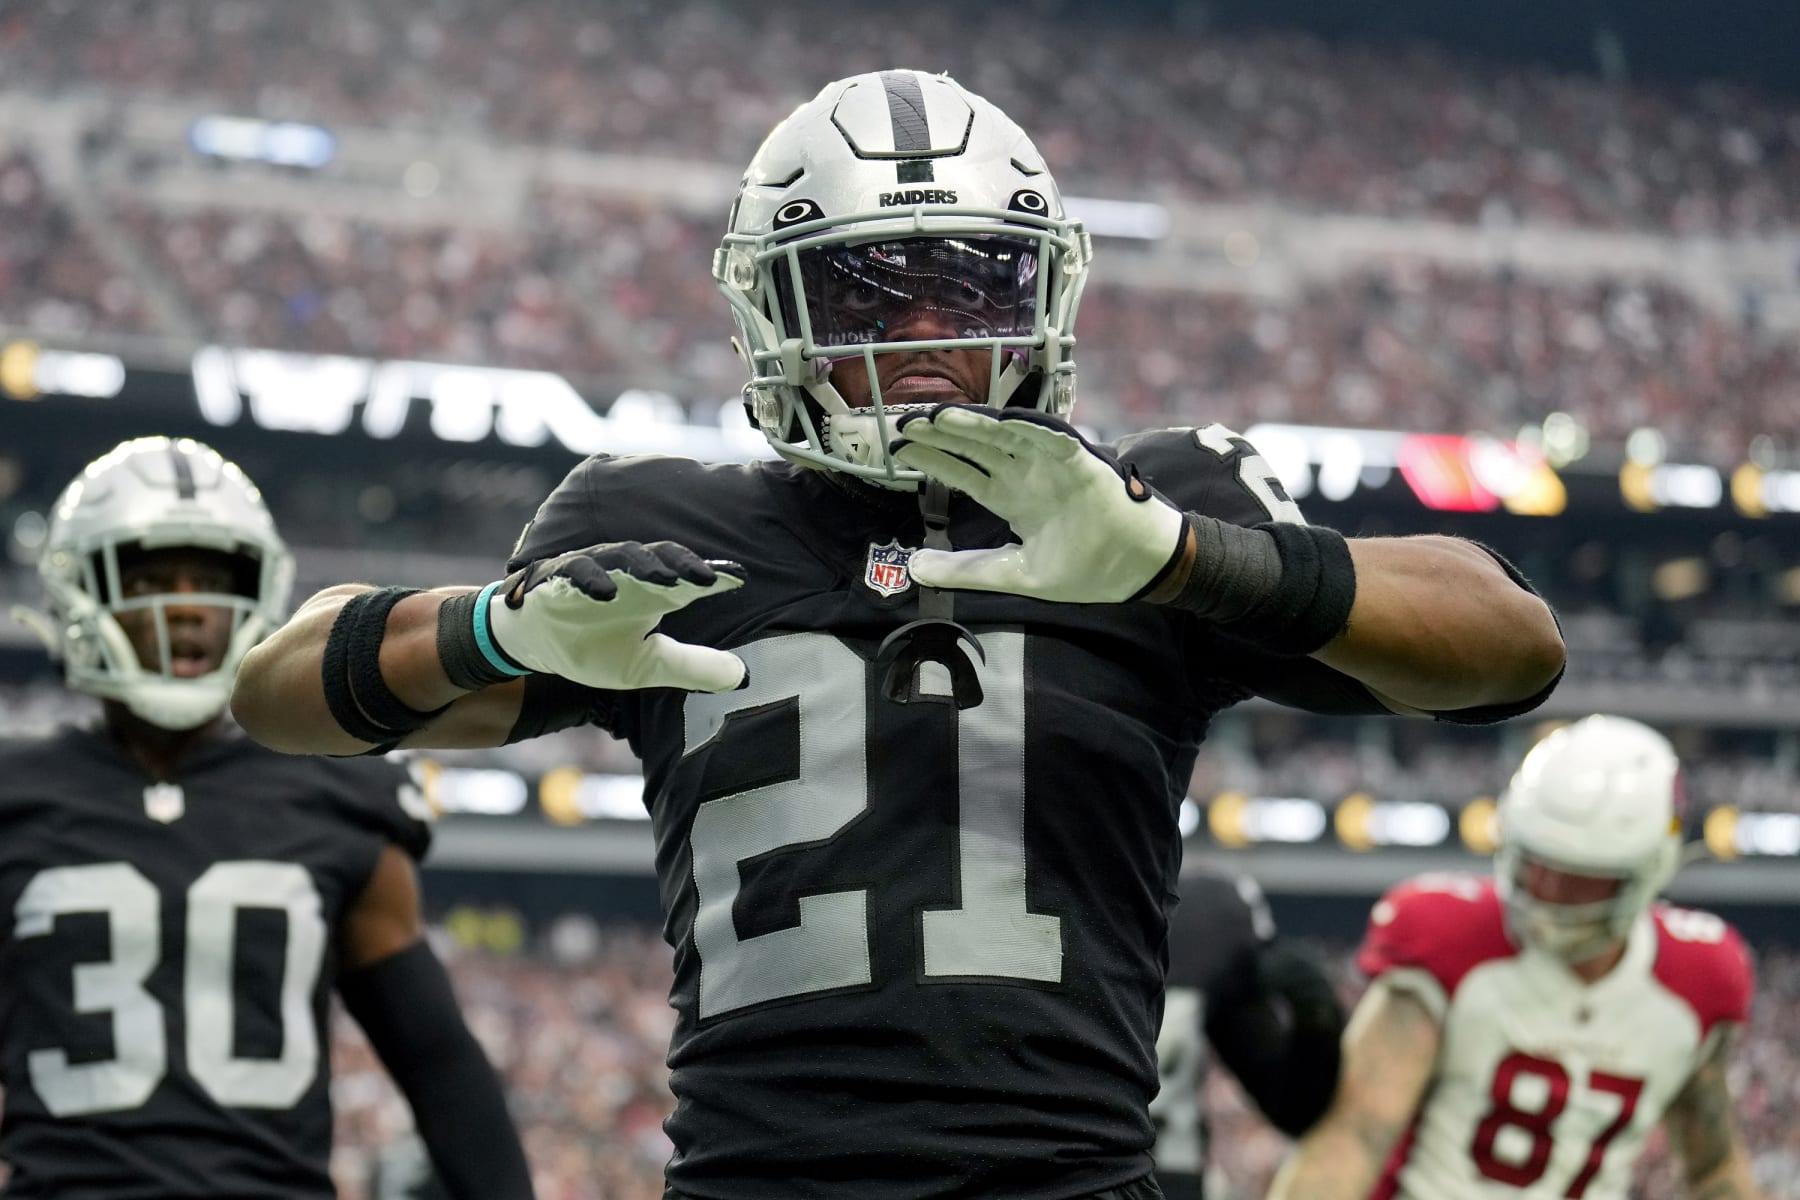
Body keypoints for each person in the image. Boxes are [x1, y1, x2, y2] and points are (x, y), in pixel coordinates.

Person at [230, 70, 1565, 1199]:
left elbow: (1510, 644)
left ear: (1041, 297)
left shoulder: (1149, 504)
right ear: (779, 312)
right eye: (869, 294)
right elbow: (276, 696)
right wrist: (493, 634)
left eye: (970, 288)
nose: (924, 338)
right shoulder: (655, 523)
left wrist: (1181, 557)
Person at [0, 437, 534, 1200]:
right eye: (150, 578)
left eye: (212, 581)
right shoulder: (17, 793)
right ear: (78, 589)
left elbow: (437, 1062)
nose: (187, 608)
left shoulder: (334, 790)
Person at [1266, 715, 1761, 1200]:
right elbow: (1355, 1136)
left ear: (1646, 870)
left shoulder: (1699, 977)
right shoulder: (1451, 938)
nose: (1546, 890)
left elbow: (1714, 1168)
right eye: (1536, 861)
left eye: (1578, 875)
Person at [1152, 867, 1344, 1200]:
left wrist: (1315, 1031)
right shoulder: (1212, 981)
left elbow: (1293, 1108)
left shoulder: (1213, 1002)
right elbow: (1295, 1111)